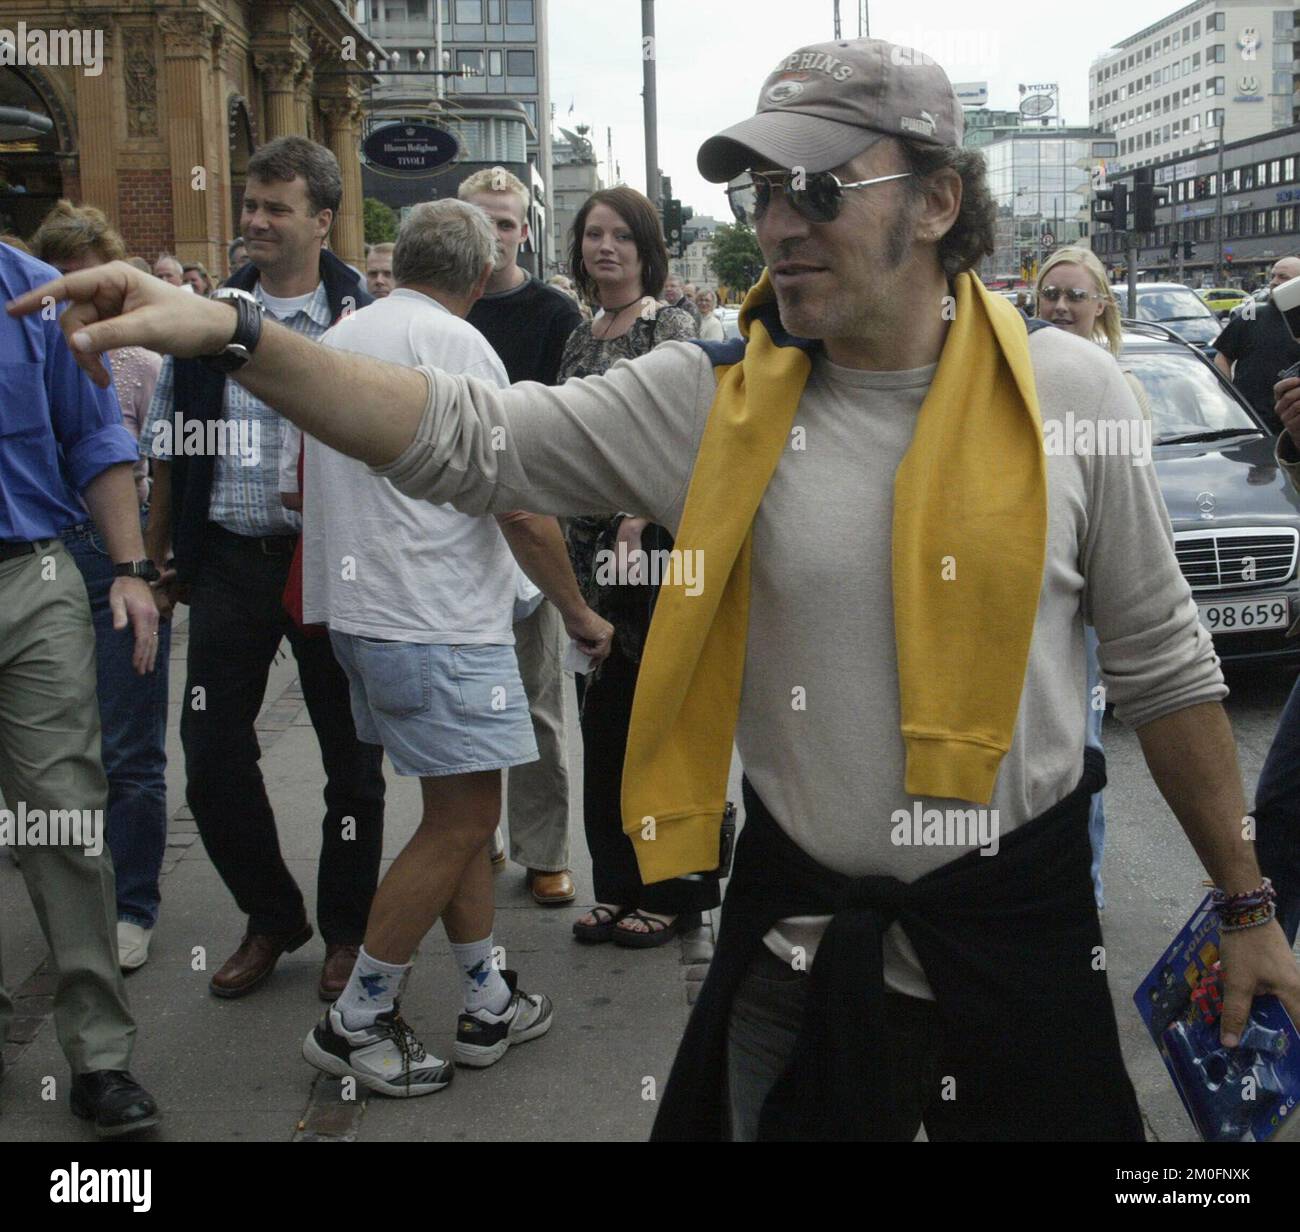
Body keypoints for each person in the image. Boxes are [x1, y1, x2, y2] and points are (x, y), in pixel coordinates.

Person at [15, 38, 1300, 1143]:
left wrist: (1245, 906)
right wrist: (241, 336)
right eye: (758, 187)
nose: (777, 218)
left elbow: (1170, 668)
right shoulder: (715, 396)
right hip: (797, 931)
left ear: (936, 198)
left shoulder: (1073, 396)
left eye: (815, 184)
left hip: (1020, 932)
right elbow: (473, 433)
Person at [298, 200, 605, 1092]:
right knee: (467, 819)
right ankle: (357, 1019)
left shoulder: (347, 332)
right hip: (436, 615)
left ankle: (485, 995)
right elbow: (517, 502)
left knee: (457, 814)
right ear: (479, 276)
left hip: (364, 613)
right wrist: (579, 613)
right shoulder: (458, 345)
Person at [139, 136, 387, 1003]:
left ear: (322, 219)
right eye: (250, 205)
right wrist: (157, 555)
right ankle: (273, 915)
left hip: (334, 563)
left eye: (276, 208)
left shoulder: (366, 321)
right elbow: (168, 441)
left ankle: (350, 931)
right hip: (232, 565)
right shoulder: (208, 318)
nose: (255, 221)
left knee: (351, 761)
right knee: (208, 755)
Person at [0, 239, 161, 1136]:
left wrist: (132, 567)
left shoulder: (33, 292)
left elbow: (96, 432)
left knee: (60, 810)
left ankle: (100, 1057)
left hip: (30, 577)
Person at [556, 186, 711, 948]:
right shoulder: (582, 334)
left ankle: (675, 890)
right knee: (605, 722)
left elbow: (689, 437)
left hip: (651, 551)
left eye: (620, 235)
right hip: (588, 557)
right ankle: (616, 885)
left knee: (663, 724)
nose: (604, 247)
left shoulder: (672, 324)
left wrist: (635, 519)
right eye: (592, 234)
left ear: (647, 248)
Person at [29, 202, 170, 970]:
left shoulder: (141, 362)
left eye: (95, 287)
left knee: (129, 747)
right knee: (52, 749)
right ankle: (70, 887)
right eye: (64, 287)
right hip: (43, 550)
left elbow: (162, 468)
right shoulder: (25, 354)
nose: (79, 305)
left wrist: (149, 560)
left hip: (119, 552)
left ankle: (133, 904)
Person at [459, 166, 587, 905]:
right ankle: (478, 836)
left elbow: (567, 424)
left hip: (531, 522)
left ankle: (545, 848)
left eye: (507, 222)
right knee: (466, 701)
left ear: (525, 231)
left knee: (537, 700)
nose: (496, 234)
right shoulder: (444, 307)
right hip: (452, 531)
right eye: (482, 221)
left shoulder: (552, 313)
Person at [1035, 246, 1152, 910]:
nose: (1059, 306)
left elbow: (1130, 518)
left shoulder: (1118, 388)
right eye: (1051, 294)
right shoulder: (1017, 375)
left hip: (1085, 607)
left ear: (1101, 307)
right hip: (1029, 595)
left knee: (1081, 756)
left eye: (1076, 296)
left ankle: (1085, 895)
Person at [1214, 256, 1300, 434]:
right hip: (1246, 422)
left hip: (1291, 426)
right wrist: (1228, 393)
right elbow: (1223, 356)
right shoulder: (1251, 313)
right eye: (1273, 276)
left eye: (1283, 277)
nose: (1275, 282)